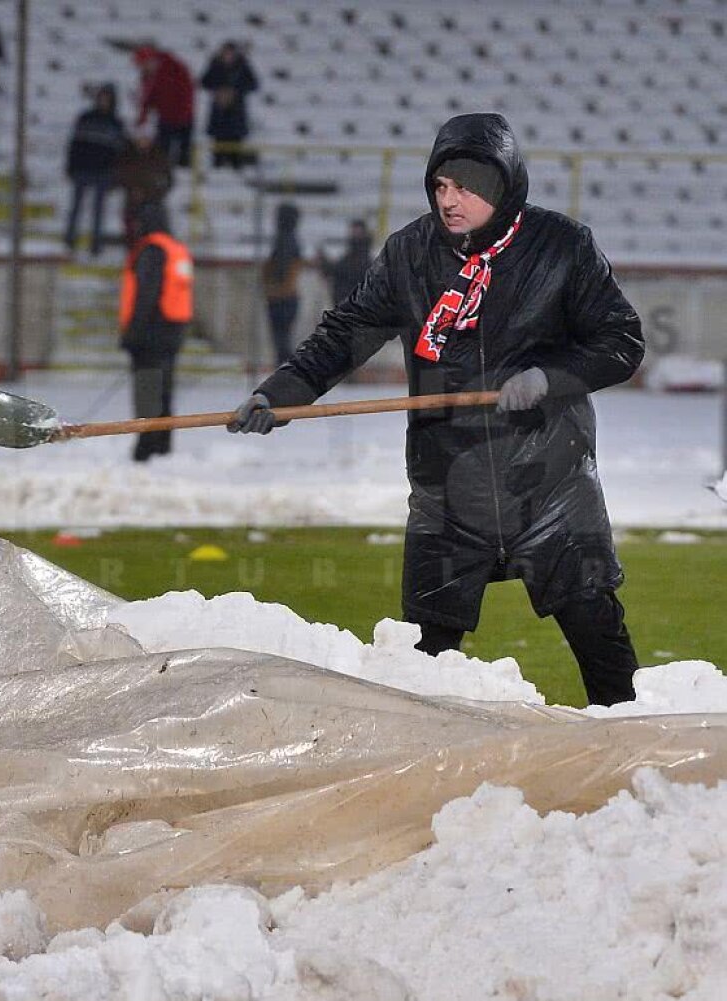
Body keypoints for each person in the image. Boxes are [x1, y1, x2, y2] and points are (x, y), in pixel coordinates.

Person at [228, 113, 646, 707]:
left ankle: (637, 744)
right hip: (447, 489)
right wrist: (280, 393)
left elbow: (622, 343)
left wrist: (549, 378)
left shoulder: (563, 247)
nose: (449, 201)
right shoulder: (410, 252)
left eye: (466, 188)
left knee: (600, 642)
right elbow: (345, 333)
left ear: (504, 188)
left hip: (550, 486)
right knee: (421, 663)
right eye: (441, 186)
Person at [119, 201, 193, 462]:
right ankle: (163, 443)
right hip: (173, 331)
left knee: (147, 391)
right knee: (164, 390)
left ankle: (146, 446)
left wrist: (132, 333)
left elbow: (146, 295)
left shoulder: (151, 250)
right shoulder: (175, 249)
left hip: (150, 333)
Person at [63, 83, 125, 257]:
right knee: (76, 207)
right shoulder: (85, 118)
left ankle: (96, 245)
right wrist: (71, 166)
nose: (104, 101)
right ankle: (69, 240)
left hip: (103, 172)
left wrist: (114, 175)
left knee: (98, 211)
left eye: (107, 98)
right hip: (83, 168)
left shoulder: (116, 123)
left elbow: (119, 153)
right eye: (102, 97)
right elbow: (75, 145)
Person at [199, 41, 258, 170]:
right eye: (225, 53)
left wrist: (235, 91)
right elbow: (204, 82)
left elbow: (254, 84)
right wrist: (218, 90)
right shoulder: (215, 65)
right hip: (219, 115)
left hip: (236, 114)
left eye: (230, 53)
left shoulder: (242, 66)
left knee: (236, 152)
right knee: (218, 151)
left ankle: (237, 171)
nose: (228, 56)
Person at [133, 46, 194, 168]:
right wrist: (142, 117)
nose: (143, 68)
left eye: (144, 64)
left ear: (151, 60)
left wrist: (182, 116)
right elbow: (147, 98)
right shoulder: (147, 76)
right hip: (165, 118)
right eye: (141, 66)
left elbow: (187, 92)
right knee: (162, 153)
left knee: (184, 155)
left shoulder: (174, 68)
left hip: (183, 118)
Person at [113, 122, 173, 248]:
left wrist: (157, 191)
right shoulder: (127, 156)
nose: (143, 141)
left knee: (156, 232)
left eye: (145, 138)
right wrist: (132, 189)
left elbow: (168, 179)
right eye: (140, 138)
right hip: (133, 201)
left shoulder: (159, 156)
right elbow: (121, 176)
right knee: (133, 233)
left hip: (153, 201)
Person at [261, 203, 302, 364]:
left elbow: (285, 268)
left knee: (281, 340)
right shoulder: (290, 240)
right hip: (286, 295)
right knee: (283, 338)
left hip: (281, 296)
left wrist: (273, 287)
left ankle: (286, 369)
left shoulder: (284, 241)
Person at [318, 218, 373, 306]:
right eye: (353, 232)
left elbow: (342, 271)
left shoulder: (361, 257)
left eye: (357, 232)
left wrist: (326, 265)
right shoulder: (352, 254)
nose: (353, 235)